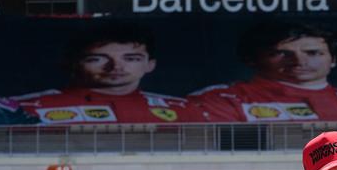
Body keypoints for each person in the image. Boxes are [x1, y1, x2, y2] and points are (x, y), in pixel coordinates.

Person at [187, 21, 337, 122]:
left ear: (333, 59)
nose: (299, 61)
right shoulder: (219, 100)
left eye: (313, 53)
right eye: (282, 53)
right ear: (252, 59)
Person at [12, 22, 202, 125]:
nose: (116, 67)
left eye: (131, 58)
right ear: (72, 64)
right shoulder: (24, 108)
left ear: (150, 65)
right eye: (97, 59)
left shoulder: (184, 109)